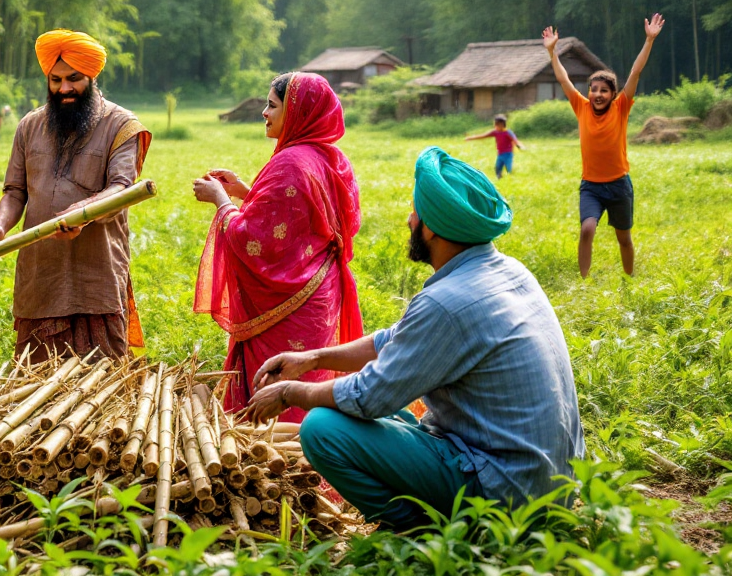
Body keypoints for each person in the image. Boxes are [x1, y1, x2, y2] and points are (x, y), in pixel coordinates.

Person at [241, 147, 583, 530]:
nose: (408, 220)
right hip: (552, 485)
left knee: (323, 428)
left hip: (506, 494)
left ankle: (422, 534)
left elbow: (368, 396)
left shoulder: (447, 302)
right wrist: (314, 359)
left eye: (414, 212)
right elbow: (395, 340)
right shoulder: (507, 272)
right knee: (379, 413)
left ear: (432, 228)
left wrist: (290, 393)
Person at [191, 72, 363, 421]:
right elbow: (295, 218)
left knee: (278, 396)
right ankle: (312, 462)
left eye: (272, 105)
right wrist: (245, 191)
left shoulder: (290, 162)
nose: (264, 113)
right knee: (309, 387)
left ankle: (274, 467)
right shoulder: (329, 157)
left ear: (298, 112)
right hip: (319, 295)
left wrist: (221, 200)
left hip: (286, 307)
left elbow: (255, 239)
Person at [0, 29, 152, 365]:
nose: (64, 88)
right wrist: (0, 226)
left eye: (74, 78)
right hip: (41, 276)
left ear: (92, 76)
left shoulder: (122, 125)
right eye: (55, 80)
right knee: (35, 387)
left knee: (100, 390)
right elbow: (15, 191)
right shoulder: (29, 126)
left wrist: (82, 212)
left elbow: (121, 188)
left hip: (96, 277)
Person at [543, 14, 664, 277]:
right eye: (593, 89)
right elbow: (564, 79)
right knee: (587, 229)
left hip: (619, 184)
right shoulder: (581, 107)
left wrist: (649, 40)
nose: (597, 94)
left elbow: (635, 71)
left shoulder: (621, 108)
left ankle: (629, 278)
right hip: (591, 186)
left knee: (624, 238)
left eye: (604, 91)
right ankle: (584, 282)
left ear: (613, 95)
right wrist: (552, 52)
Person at [465, 114, 524, 179]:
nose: (495, 126)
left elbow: (515, 140)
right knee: (497, 169)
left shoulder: (508, 132)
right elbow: (483, 136)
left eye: (496, 124)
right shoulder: (495, 132)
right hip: (500, 154)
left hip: (508, 154)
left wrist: (520, 146)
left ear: (502, 124)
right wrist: (470, 138)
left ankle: (512, 179)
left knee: (509, 170)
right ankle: (500, 180)